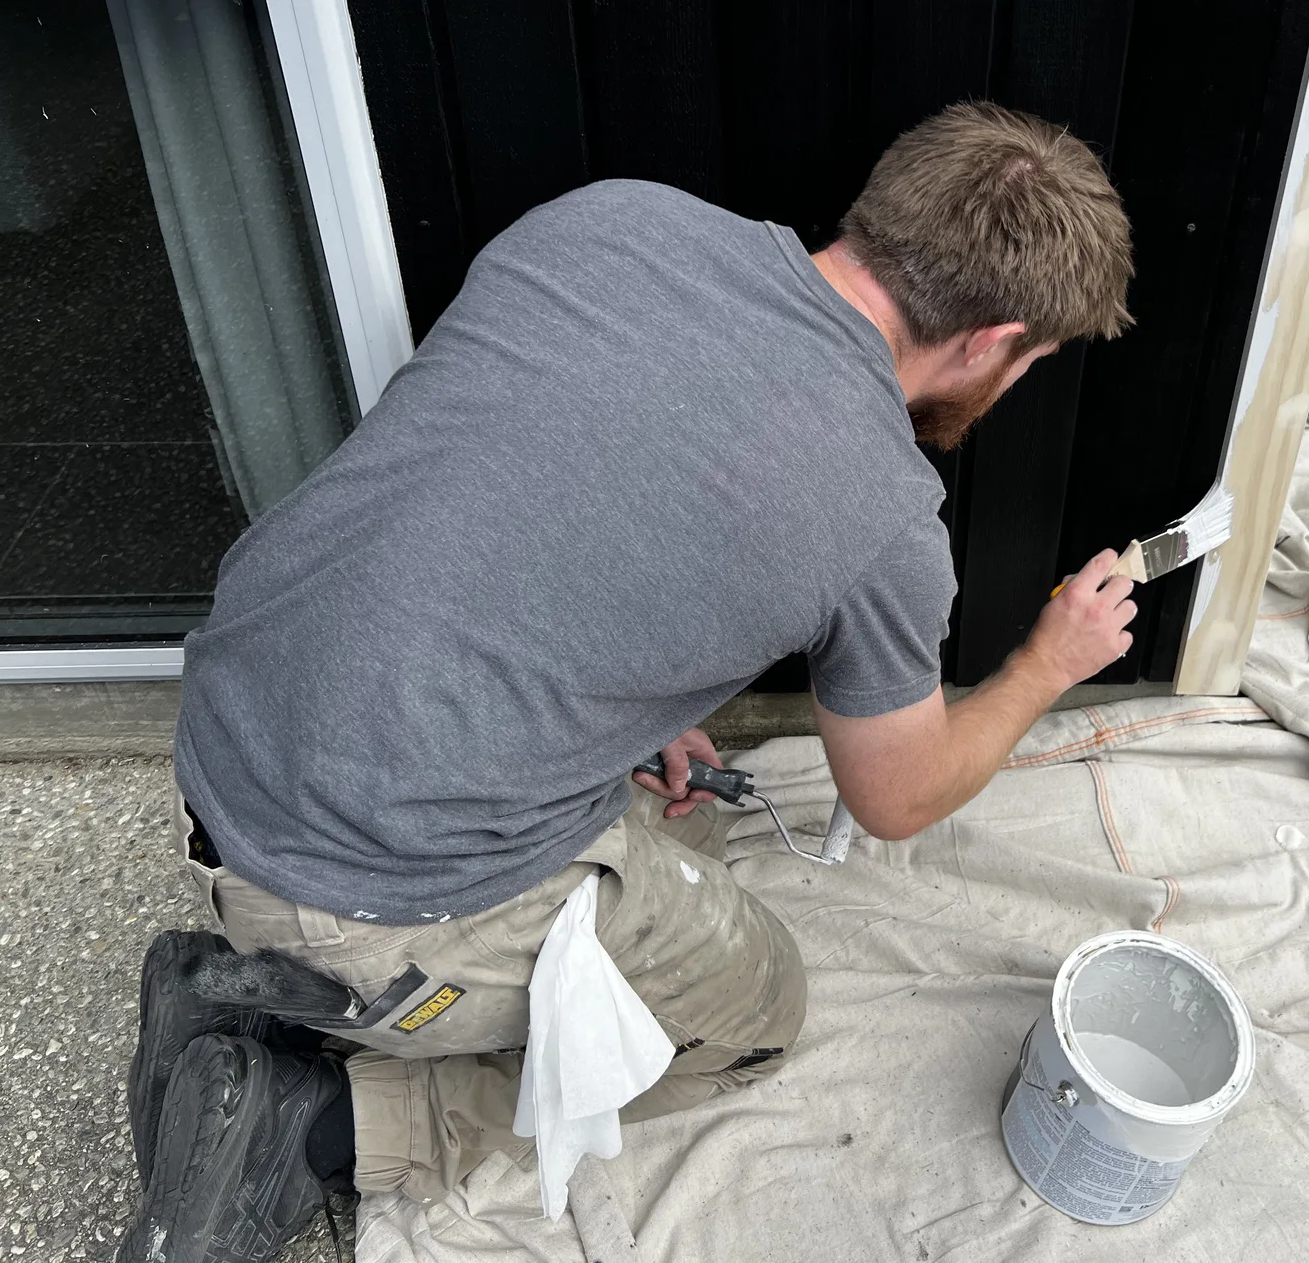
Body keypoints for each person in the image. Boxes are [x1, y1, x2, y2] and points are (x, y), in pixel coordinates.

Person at [116, 101, 1138, 1261]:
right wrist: (1047, 663)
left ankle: (261, 984)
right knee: (752, 1016)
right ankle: (316, 1118)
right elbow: (894, 800)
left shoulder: (614, 223)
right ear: (994, 340)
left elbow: (521, 486)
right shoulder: (883, 521)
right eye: (1033, 366)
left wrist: (636, 700)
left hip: (225, 735)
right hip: (363, 883)